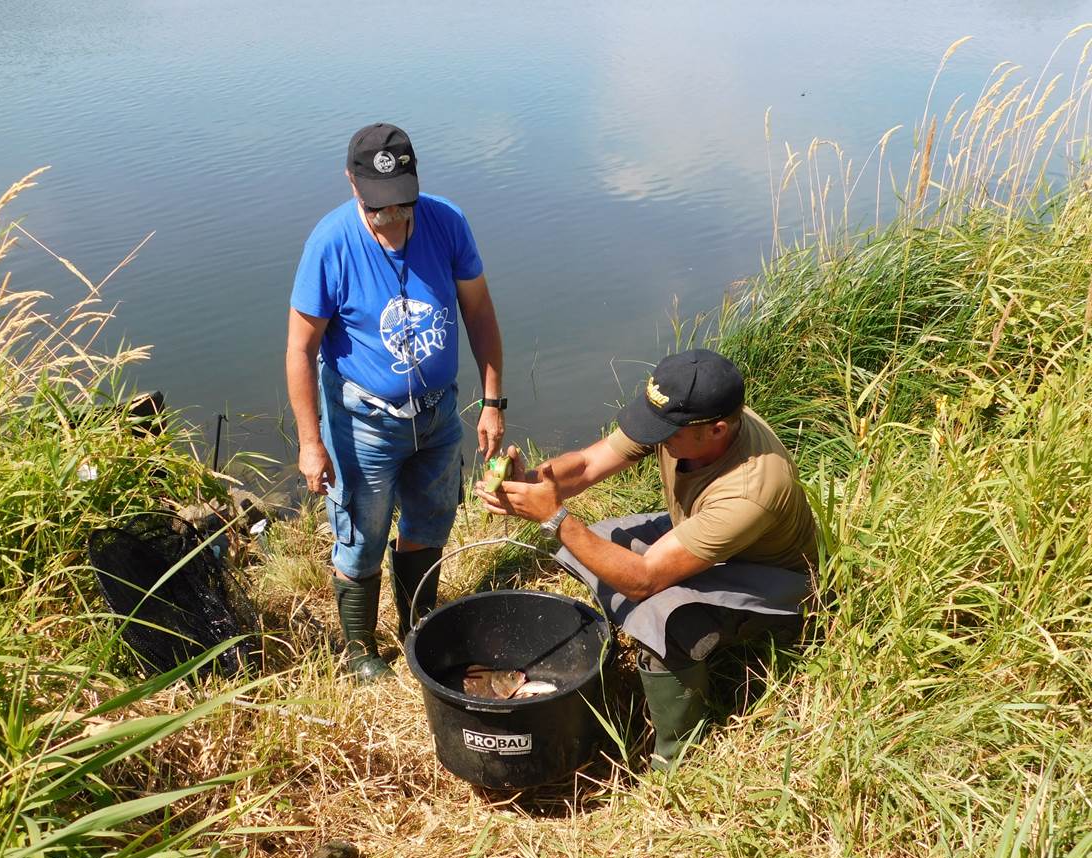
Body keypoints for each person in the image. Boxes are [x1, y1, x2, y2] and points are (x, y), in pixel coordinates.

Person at [476, 349, 816, 769]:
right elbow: (585, 466)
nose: (655, 436)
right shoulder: (684, 419)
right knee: (598, 540)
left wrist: (553, 516)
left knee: (660, 613)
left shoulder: (751, 489)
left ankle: (678, 754)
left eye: (666, 431)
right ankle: (628, 631)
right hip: (703, 532)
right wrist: (532, 485)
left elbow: (643, 579)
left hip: (773, 581)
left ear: (718, 430)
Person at [287, 122, 505, 683]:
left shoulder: (446, 221)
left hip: (436, 415)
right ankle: (359, 650)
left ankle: (417, 627)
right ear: (352, 183)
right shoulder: (330, 243)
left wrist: (492, 400)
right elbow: (300, 348)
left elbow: (479, 313)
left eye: (401, 202)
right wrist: (311, 443)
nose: (392, 216)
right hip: (364, 423)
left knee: (431, 521)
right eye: (378, 205)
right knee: (361, 535)